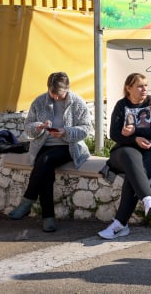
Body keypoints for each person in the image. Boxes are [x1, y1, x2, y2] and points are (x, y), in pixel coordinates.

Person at [8, 72, 93, 232]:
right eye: (52, 93)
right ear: (48, 88)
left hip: (68, 146)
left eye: (59, 94)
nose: (56, 97)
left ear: (67, 89)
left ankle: (27, 202)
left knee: (44, 161)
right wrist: (38, 127)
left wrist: (65, 132)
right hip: (43, 145)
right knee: (45, 171)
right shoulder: (39, 101)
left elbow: (86, 129)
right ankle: (48, 218)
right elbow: (28, 127)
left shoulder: (78, 103)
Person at [98, 73, 151, 240]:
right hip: (125, 151)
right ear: (128, 88)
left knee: (134, 175)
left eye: (146, 85)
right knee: (132, 161)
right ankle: (147, 197)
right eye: (139, 86)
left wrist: (137, 131)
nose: (144, 89)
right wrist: (134, 139)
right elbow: (114, 134)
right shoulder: (121, 105)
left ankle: (120, 224)